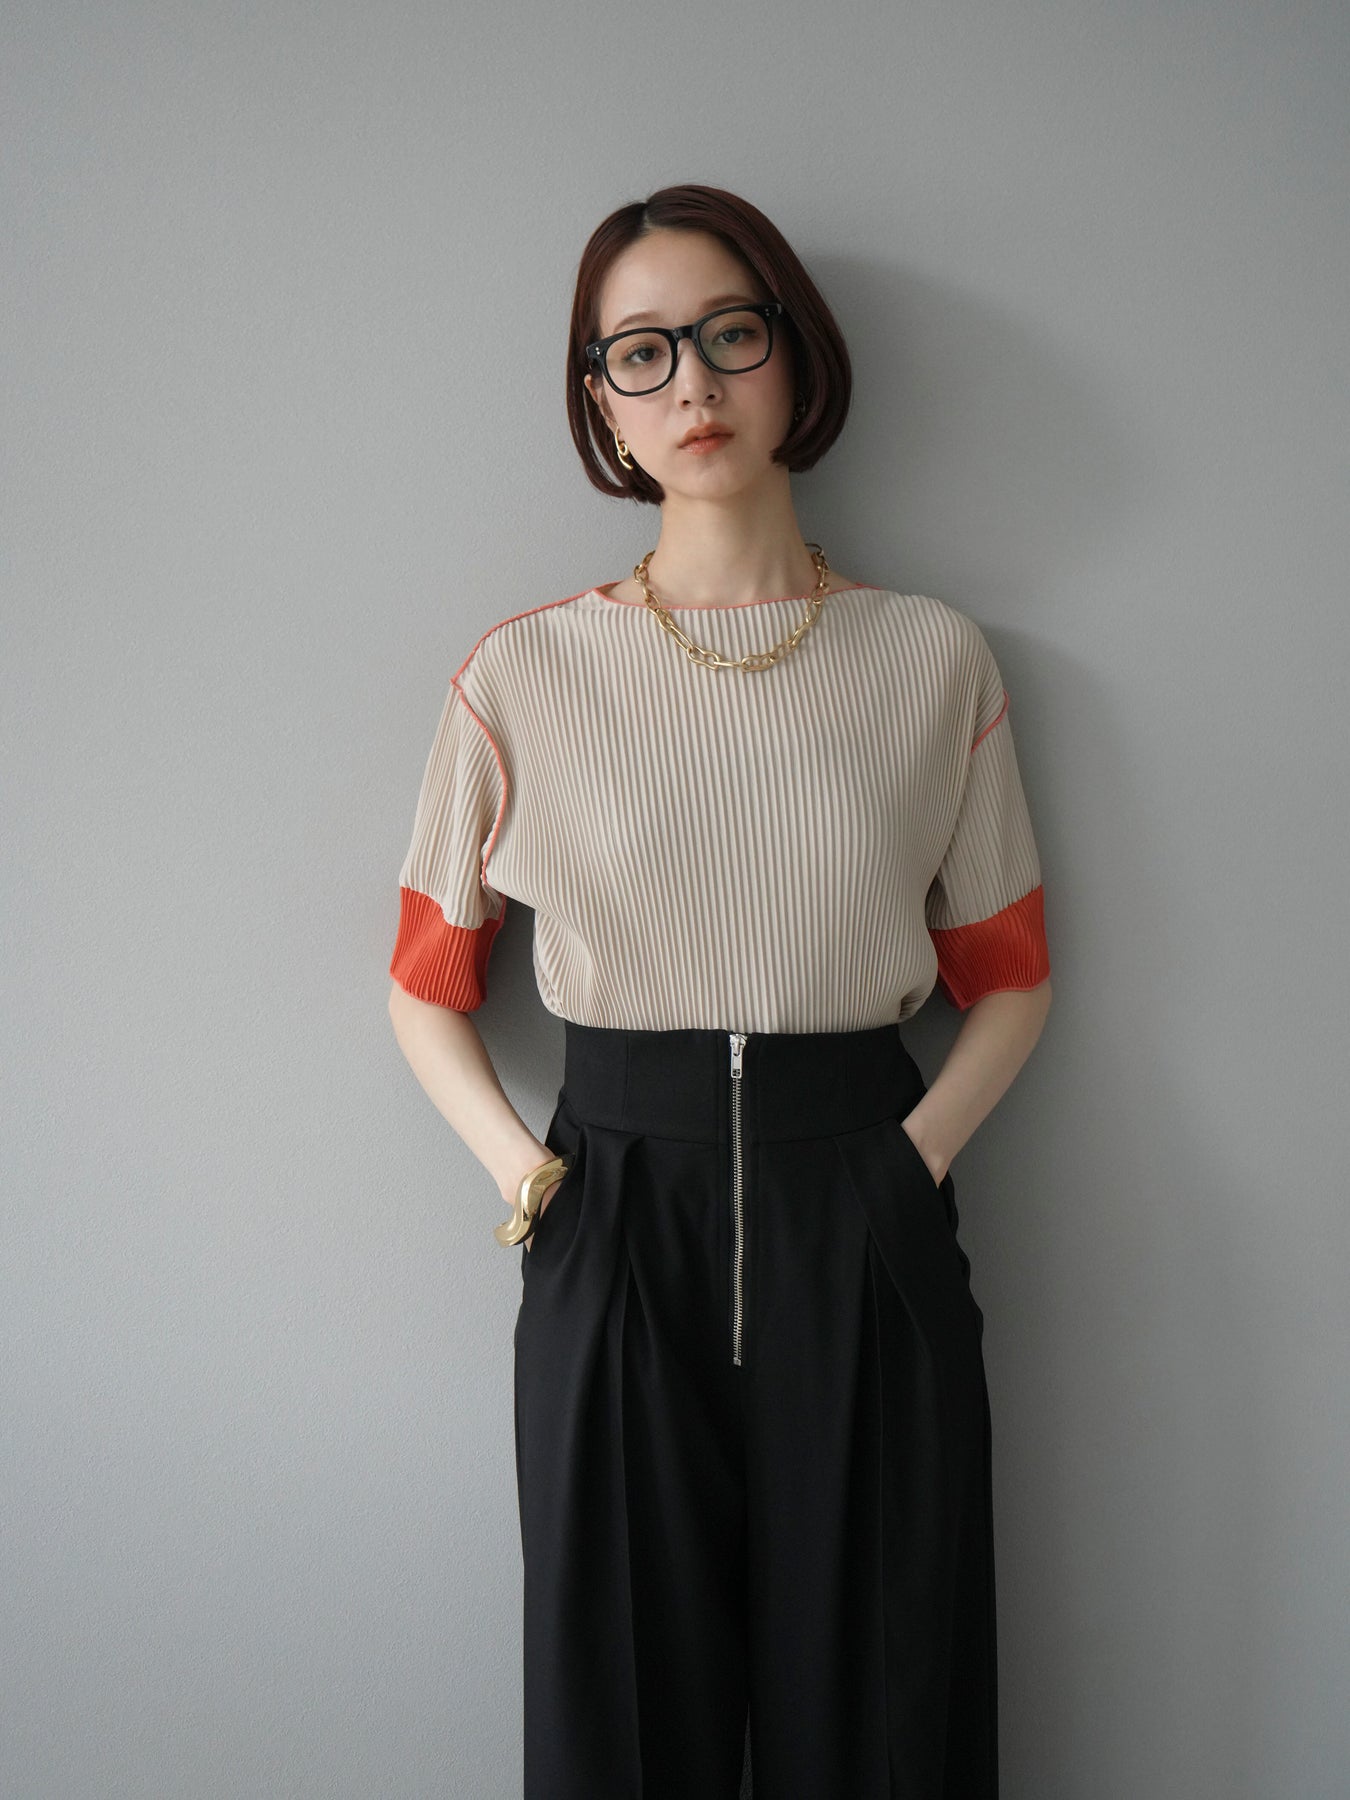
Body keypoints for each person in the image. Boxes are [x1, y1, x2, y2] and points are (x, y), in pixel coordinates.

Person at [387, 182, 1052, 1800]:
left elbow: (1012, 975)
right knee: (624, 1720)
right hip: (614, 1211)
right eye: (640, 352)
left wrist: (905, 1165)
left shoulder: (930, 657)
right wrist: (534, 1186)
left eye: (726, 335)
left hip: (861, 1203)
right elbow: (424, 981)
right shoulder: (522, 674)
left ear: (792, 357)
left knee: (885, 1709)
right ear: (601, 404)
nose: (690, 382)